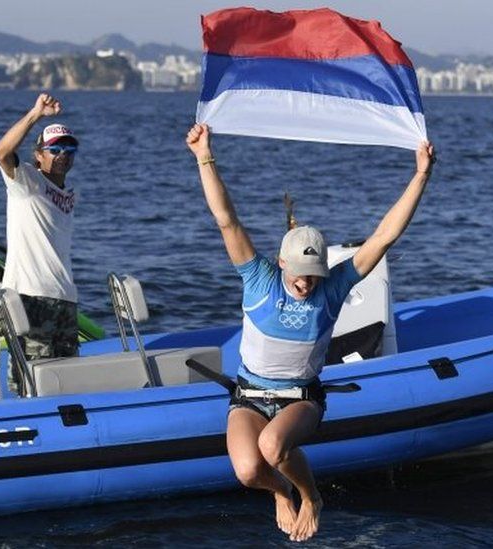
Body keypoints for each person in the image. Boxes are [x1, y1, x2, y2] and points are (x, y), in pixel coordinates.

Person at [186, 123, 435, 542]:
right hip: (248, 395)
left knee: (272, 447)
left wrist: (421, 175)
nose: (306, 283)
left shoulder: (333, 286)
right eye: (299, 274)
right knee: (249, 472)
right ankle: (283, 493)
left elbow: (384, 236)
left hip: (300, 398)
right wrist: (203, 156)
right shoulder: (258, 278)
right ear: (282, 263)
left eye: (314, 274)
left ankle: (311, 496)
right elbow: (226, 219)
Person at [0, 93, 81, 394]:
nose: (63, 154)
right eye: (54, 149)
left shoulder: (69, 194)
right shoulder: (28, 182)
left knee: (67, 384)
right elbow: (3, 152)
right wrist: (35, 114)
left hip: (65, 300)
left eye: (69, 148)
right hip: (30, 298)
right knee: (30, 386)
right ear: (39, 156)